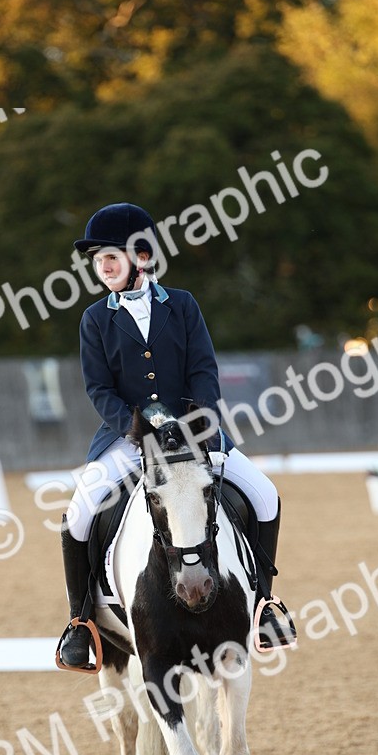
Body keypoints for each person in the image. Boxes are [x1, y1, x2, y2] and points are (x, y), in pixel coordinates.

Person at [58, 201, 287, 670]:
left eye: (111, 255)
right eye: (97, 258)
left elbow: (203, 369)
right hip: (126, 438)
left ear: (141, 257)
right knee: (77, 518)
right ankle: (80, 623)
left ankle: (264, 603)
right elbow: (98, 388)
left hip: (196, 432)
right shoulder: (95, 319)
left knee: (266, 495)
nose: (102, 265)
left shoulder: (182, 305)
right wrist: (136, 429)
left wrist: (197, 423)